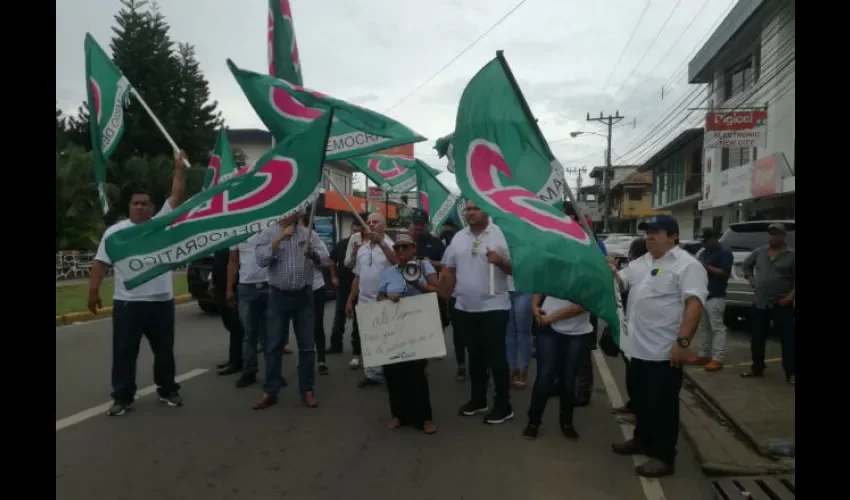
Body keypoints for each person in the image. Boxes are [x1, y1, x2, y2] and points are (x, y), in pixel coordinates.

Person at [89, 150, 187, 416]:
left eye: (145, 203)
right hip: (127, 304)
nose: (141, 207)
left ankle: (168, 390)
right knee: (123, 354)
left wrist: (179, 167)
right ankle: (122, 397)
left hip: (161, 302)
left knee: (164, 352)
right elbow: (100, 263)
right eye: (136, 203)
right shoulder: (116, 233)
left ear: (153, 208)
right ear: (129, 207)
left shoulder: (160, 226)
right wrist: (93, 291)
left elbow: (176, 195)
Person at [610, 215, 707, 477]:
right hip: (637, 349)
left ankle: (663, 456)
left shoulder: (688, 266)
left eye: (656, 232)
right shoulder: (643, 262)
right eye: (647, 233)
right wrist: (609, 270)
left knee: (662, 406)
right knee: (641, 401)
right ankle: (642, 440)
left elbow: (694, 305)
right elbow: (620, 282)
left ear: (673, 236)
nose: (649, 237)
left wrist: (682, 342)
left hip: (664, 352)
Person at [440, 200, 514, 424]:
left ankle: (503, 405)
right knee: (476, 357)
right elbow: (449, 269)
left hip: (494, 306)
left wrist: (500, 261)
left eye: (475, 208)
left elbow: (517, 268)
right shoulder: (459, 237)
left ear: (486, 210)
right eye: (468, 209)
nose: (471, 213)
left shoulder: (500, 234)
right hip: (465, 307)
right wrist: (443, 295)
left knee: (497, 358)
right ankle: (478, 400)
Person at [252, 210, 329, 410]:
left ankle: (307, 390)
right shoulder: (267, 233)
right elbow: (261, 260)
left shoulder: (308, 234)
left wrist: (312, 254)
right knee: (274, 345)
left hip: (304, 295)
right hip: (278, 296)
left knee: (306, 347)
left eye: (294, 211)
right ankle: (270, 391)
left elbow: (325, 259)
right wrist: (281, 238)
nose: (289, 214)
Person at [378, 232, 440, 434]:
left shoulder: (423, 267)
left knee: (416, 373)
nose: (401, 251)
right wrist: (388, 300)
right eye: (398, 248)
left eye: (406, 247)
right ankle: (399, 414)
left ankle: (424, 418)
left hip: (417, 328)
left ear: (414, 249)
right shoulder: (389, 272)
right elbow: (379, 298)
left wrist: (417, 283)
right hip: (394, 330)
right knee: (394, 373)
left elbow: (437, 292)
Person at [523, 292, 595, 440]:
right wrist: (534, 306)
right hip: (548, 329)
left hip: (576, 332)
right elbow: (541, 285)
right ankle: (533, 421)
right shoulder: (554, 267)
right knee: (544, 376)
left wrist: (550, 318)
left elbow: (584, 305)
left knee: (568, 379)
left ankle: (567, 422)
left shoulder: (591, 271)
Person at [227, 233, 287, 389]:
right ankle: (249, 372)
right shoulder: (236, 232)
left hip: (270, 285)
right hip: (246, 287)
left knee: (271, 335)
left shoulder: (269, 229)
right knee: (249, 334)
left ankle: (273, 373)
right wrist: (229, 289)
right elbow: (233, 262)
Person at [345, 213, 398, 388]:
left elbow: (397, 262)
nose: (371, 224)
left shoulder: (391, 245)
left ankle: (391, 372)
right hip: (365, 301)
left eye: (375, 222)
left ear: (384, 226)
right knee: (369, 338)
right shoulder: (362, 248)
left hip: (385, 300)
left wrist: (381, 243)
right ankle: (373, 374)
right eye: (369, 222)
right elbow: (358, 277)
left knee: (388, 339)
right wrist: (350, 300)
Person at [740, 223, 795, 384]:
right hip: (760, 303)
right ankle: (757, 368)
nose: (772, 236)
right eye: (770, 233)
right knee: (757, 338)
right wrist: (750, 278)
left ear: (783, 236)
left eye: (776, 234)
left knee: (788, 340)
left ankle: (791, 372)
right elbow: (746, 265)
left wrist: (790, 298)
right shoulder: (760, 252)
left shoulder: (791, 255)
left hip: (782, 304)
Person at [609, 237, 649, 424]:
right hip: (629, 331)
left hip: (640, 334)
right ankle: (633, 405)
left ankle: (637, 412)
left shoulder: (642, 271)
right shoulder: (633, 271)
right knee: (631, 373)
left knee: (637, 376)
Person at [693, 228, 733, 372]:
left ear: (714, 238)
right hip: (704, 294)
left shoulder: (724, 252)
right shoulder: (704, 252)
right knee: (704, 327)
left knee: (717, 327)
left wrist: (707, 267)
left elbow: (724, 273)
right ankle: (704, 354)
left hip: (716, 295)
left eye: (705, 241)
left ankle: (718, 358)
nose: (703, 244)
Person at [300, 213, 331, 376]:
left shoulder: (314, 238)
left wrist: (312, 255)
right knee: (301, 328)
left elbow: (326, 261)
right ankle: (305, 360)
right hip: (296, 289)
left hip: (315, 288)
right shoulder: (286, 237)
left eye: (299, 222)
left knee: (316, 325)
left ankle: (321, 359)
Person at [327, 220, 362, 355]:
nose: (356, 234)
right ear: (351, 231)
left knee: (358, 320)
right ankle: (335, 345)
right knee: (339, 316)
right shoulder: (342, 244)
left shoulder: (366, 246)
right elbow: (331, 262)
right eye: (354, 231)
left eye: (359, 232)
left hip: (359, 286)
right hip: (343, 285)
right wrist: (334, 277)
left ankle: (357, 349)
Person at [211, 247, 243, 376]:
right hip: (220, 287)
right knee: (229, 323)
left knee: (236, 326)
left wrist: (231, 289)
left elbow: (234, 263)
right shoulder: (223, 244)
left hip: (232, 288)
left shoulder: (234, 242)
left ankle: (236, 362)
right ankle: (233, 359)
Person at [343, 215, 368, 369]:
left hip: (379, 289)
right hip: (358, 282)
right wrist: (354, 253)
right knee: (358, 324)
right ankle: (357, 355)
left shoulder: (381, 240)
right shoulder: (355, 239)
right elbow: (347, 264)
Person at [506, 282, 533, 389]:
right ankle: (511, 367)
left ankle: (523, 369)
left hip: (524, 287)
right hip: (503, 288)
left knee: (523, 329)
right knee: (509, 331)